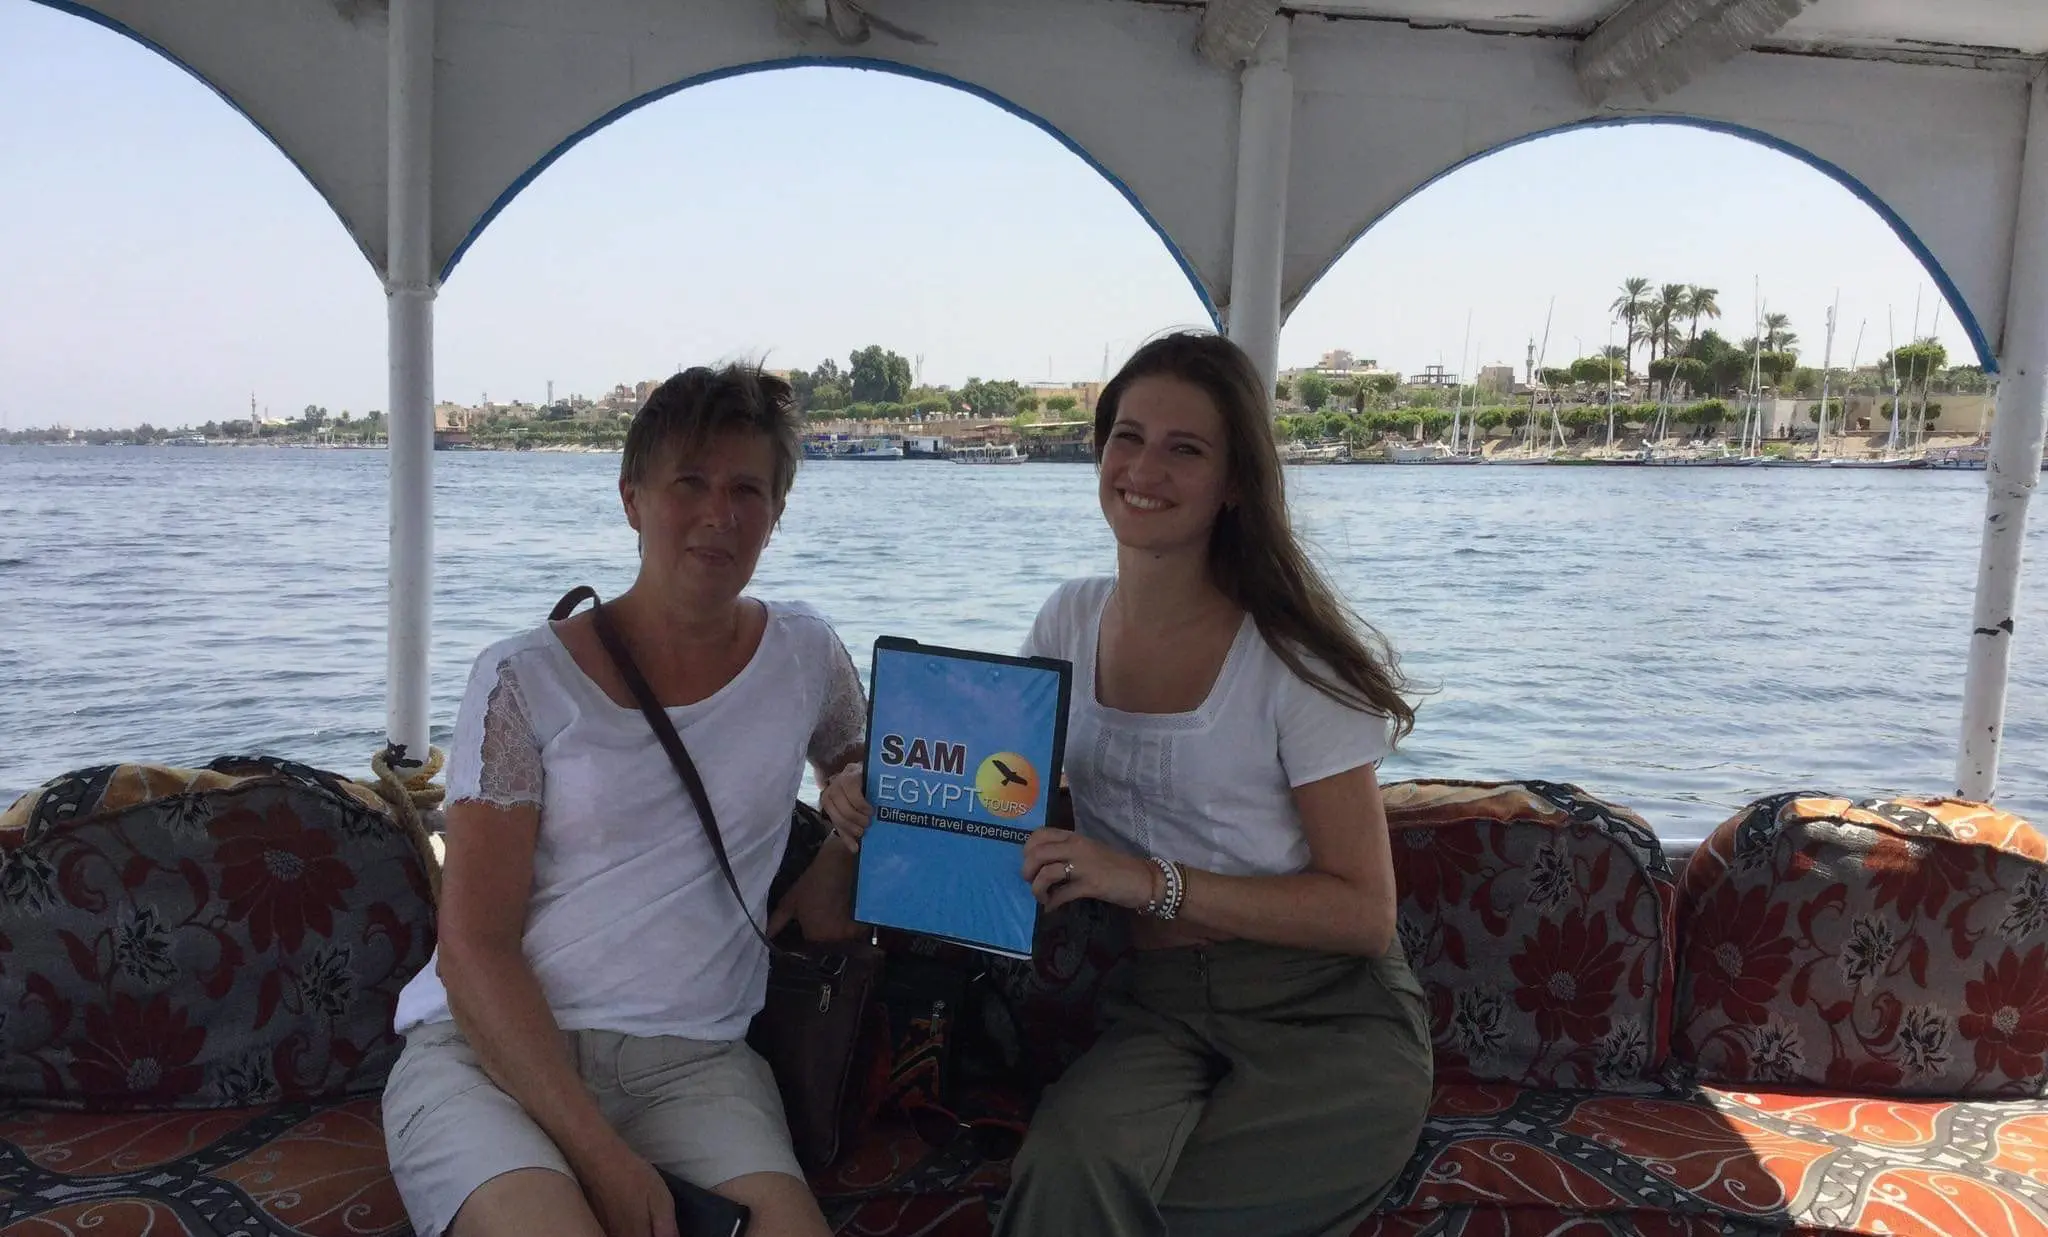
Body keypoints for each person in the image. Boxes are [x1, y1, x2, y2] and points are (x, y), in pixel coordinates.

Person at [826, 331, 1431, 1237]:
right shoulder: (1068, 619)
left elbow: (1363, 913)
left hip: (1327, 1012)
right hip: (1162, 1005)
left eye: (1185, 448)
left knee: (1171, 1213)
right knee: (1066, 1173)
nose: (1145, 469)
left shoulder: (1292, 659)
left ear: (1234, 482)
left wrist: (1146, 880)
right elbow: (995, 788)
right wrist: (875, 789)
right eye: (1128, 437)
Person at [383, 365, 869, 1237]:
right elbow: (474, 949)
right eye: (690, 482)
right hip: (492, 1057)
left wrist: (846, 833)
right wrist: (603, 1158)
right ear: (631, 498)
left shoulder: (807, 656)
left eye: (747, 490)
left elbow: (872, 778)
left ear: (777, 511)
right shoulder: (522, 679)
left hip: (695, 1063)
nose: (719, 513)